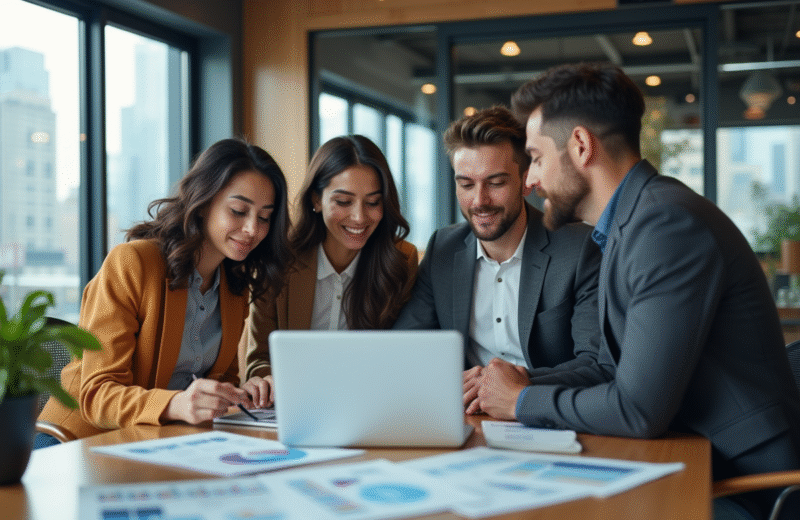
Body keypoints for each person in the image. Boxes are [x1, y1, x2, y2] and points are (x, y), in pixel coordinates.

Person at [476, 62, 800, 519]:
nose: (529, 180)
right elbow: (611, 368)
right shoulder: (630, 224)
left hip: (747, 486)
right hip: (696, 458)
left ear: (581, 146)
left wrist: (521, 401)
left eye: (537, 157)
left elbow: (637, 410)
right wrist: (516, 382)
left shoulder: (665, 225)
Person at [36, 138, 292, 446]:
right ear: (203, 202)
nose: (252, 229)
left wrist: (241, 393)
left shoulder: (233, 288)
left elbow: (220, 379)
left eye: (264, 217)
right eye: (238, 211)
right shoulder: (132, 263)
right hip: (79, 442)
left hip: (159, 442)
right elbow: (97, 394)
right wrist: (175, 404)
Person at [393, 106, 601, 414]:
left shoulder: (580, 247)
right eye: (466, 184)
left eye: (496, 182)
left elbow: (595, 363)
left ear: (525, 180)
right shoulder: (443, 249)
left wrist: (510, 386)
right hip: (469, 418)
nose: (479, 201)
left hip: (546, 415)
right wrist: (452, 383)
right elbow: (406, 348)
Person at [241, 135, 418, 399]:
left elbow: (404, 357)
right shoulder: (279, 259)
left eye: (372, 202)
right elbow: (259, 359)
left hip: (367, 403)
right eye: (344, 202)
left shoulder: (401, 260)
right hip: (294, 402)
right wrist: (265, 382)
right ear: (316, 199)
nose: (359, 217)